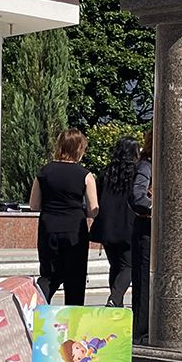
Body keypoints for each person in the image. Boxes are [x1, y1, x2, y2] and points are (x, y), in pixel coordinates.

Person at [29, 129, 99, 305]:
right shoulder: (85, 175)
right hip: (74, 229)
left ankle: (38, 311)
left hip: (49, 228)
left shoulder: (44, 172)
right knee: (75, 278)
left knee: (48, 275)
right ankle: (73, 323)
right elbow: (93, 208)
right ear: (79, 149)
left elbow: (34, 205)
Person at [91, 137, 140, 307]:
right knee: (129, 265)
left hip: (107, 226)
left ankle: (116, 301)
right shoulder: (136, 173)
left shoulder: (106, 173)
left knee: (115, 265)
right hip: (128, 226)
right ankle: (115, 298)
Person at [129, 131, 154, 343]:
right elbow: (138, 197)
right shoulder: (146, 165)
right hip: (147, 231)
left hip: (160, 235)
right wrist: (159, 208)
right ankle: (140, 335)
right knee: (144, 285)